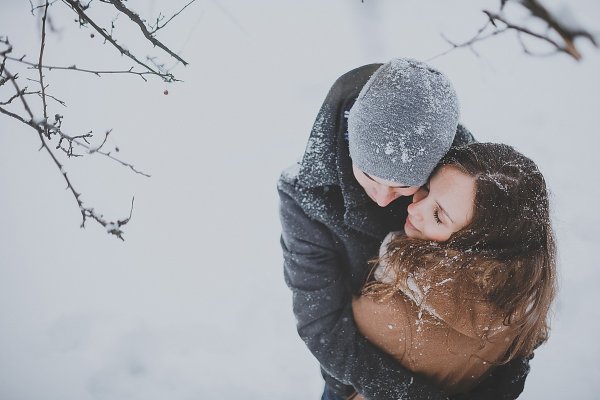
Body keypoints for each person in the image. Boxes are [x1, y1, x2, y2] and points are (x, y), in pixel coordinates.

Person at [279, 58, 530, 400]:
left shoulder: (461, 175)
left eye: (404, 186)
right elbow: (320, 324)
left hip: (462, 370)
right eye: (369, 175)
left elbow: (510, 274)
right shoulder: (306, 196)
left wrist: (499, 385)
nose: (384, 198)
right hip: (360, 378)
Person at [352, 143, 557, 397]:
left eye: (438, 216)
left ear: (476, 245)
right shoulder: (523, 291)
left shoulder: (394, 314)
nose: (413, 208)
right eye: (427, 189)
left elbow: (335, 350)